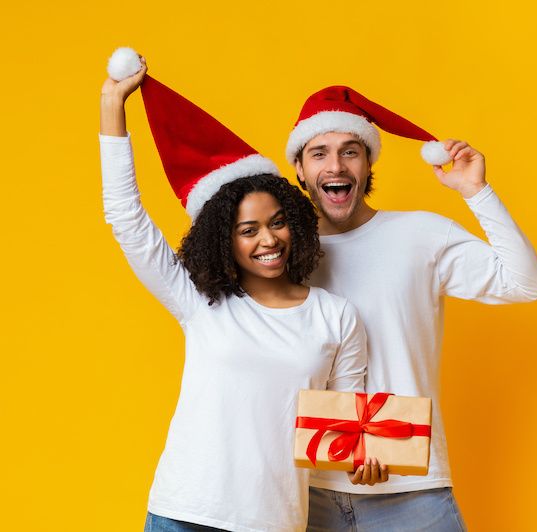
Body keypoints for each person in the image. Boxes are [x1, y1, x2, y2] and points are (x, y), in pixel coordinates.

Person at [100, 54, 381, 532]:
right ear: (223, 240)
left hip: (275, 521)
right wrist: (112, 106)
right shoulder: (201, 303)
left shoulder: (337, 316)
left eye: (276, 223)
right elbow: (127, 220)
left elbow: (340, 429)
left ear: (295, 223)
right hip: (183, 514)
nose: (267, 240)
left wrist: (363, 460)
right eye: (247, 230)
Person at [284, 86, 537, 530]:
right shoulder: (277, 255)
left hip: (413, 492)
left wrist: (476, 191)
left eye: (350, 151)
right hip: (306, 494)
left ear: (368, 162)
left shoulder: (420, 235)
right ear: (300, 166)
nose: (335, 165)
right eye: (319, 153)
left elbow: (527, 283)